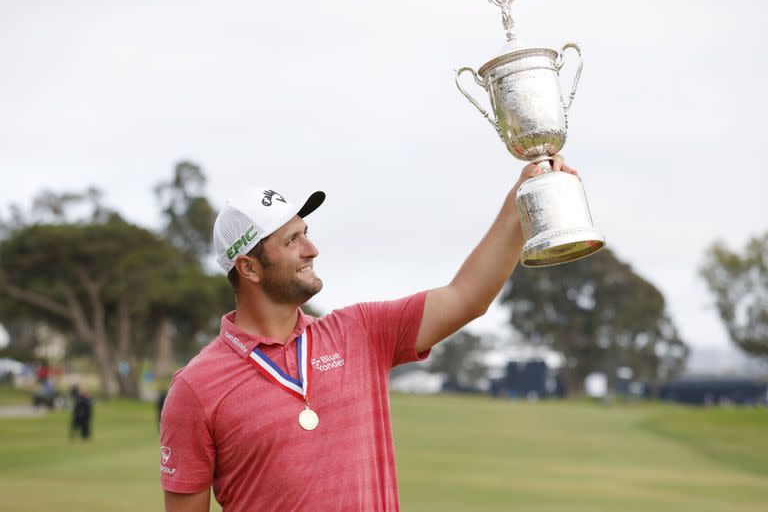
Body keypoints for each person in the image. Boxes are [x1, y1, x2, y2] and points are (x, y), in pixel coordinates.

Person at [160, 157, 578, 511]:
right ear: (249, 268)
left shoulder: (360, 331)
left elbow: (467, 297)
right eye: (292, 241)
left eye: (306, 233)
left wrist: (521, 201)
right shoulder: (196, 390)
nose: (312, 249)